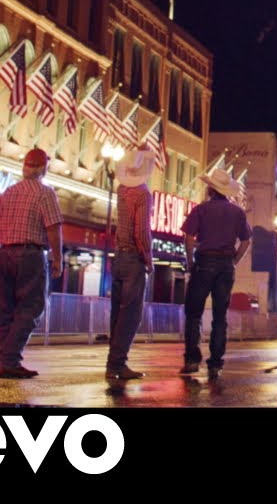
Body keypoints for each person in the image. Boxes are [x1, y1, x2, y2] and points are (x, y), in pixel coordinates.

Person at [0, 148, 64, 379]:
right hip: (30, 255)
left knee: (6, 311)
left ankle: (6, 361)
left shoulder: (8, 192)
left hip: (5, 254)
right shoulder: (45, 193)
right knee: (31, 308)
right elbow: (53, 228)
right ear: (43, 168)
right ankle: (10, 360)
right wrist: (58, 258)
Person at [180, 168, 250, 380]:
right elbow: (246, 240)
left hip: (204, 262)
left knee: (194, 313)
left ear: (210, 189)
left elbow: (189, 238)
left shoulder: (201, 209)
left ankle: (192, 360)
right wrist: (234, 261)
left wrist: (190, 262)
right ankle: (215, 363)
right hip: (226, 264)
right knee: (220, 315)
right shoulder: (237, 213)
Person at [106, 149, 157, 381]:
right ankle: (117, 364)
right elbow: (141, 231)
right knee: (131, 314)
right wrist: (148, 258)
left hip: (119, 255)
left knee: (117, 313)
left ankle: (113, 363)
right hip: (133, 257)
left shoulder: (121, 189)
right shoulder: (143, 194)